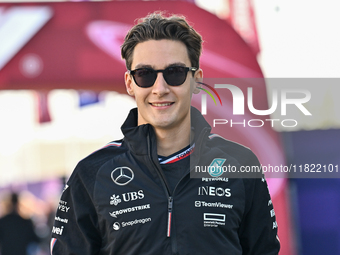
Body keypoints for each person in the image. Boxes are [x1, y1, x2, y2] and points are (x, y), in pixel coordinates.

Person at [51, 12, 280, 254]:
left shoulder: (241, 164)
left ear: (196, 81)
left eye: (175, 73)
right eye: (145, 75)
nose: (160, 89)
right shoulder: (92, 173)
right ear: (130, 83)